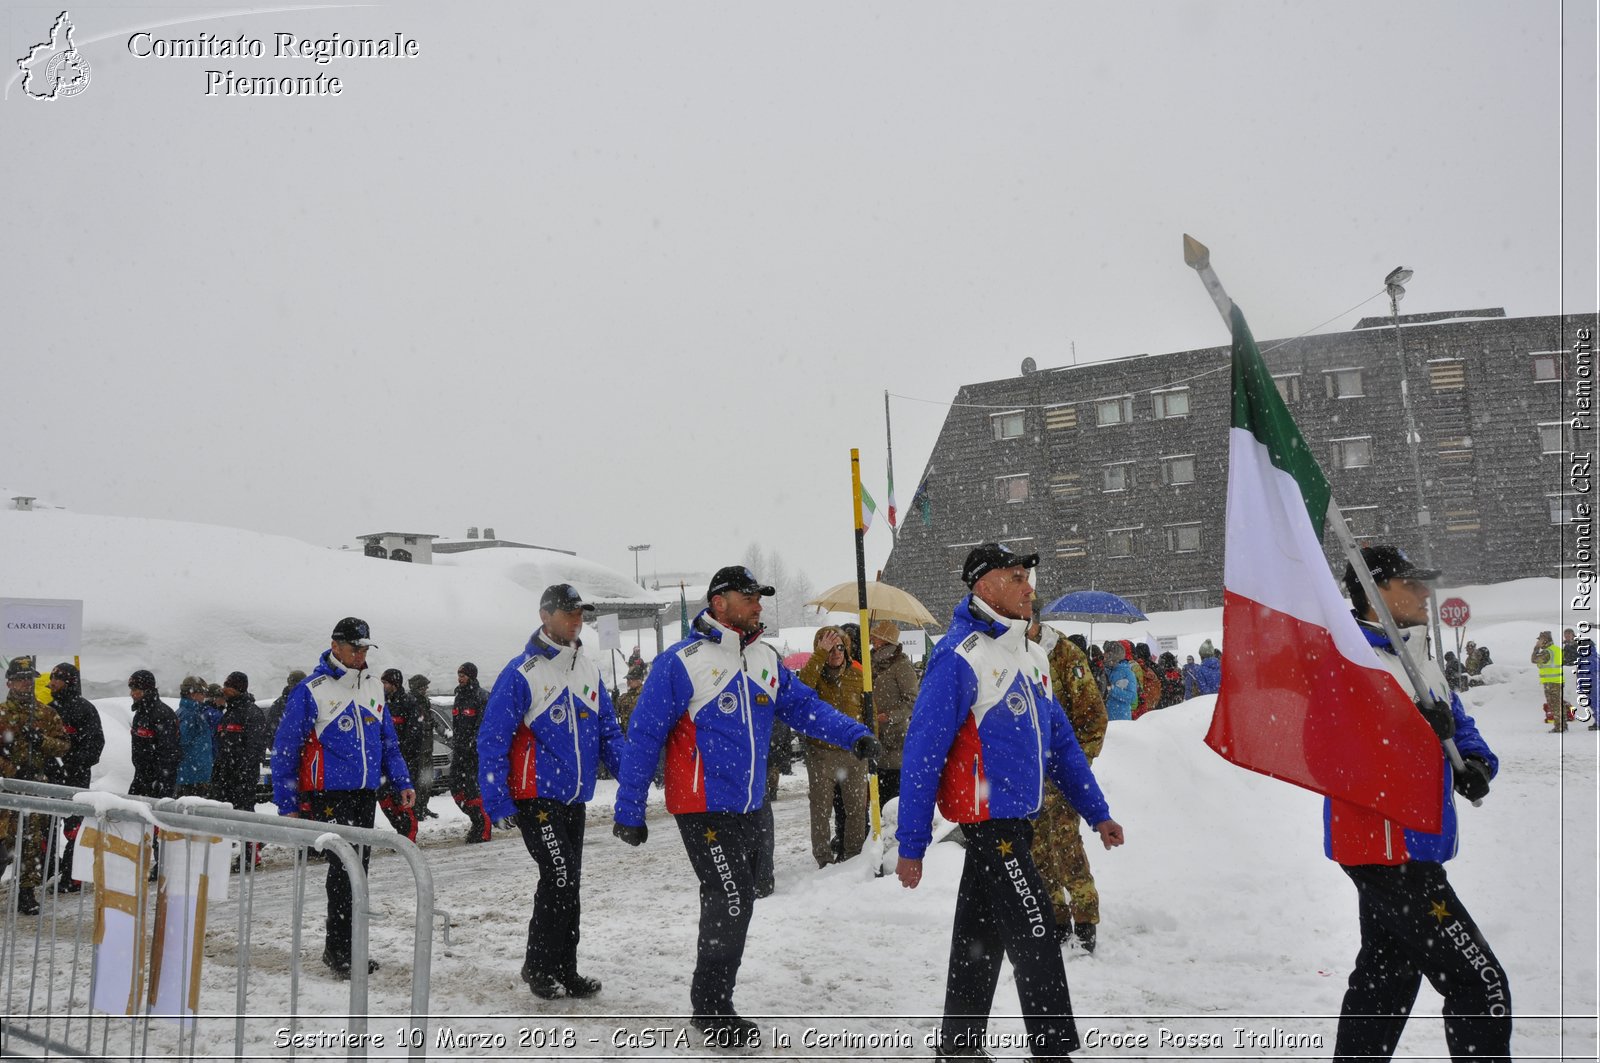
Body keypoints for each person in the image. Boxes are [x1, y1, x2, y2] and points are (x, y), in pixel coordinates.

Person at [612, 565, 876, 1047]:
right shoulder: (682, 661)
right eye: (749, 596)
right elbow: (644, 735)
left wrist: (855, 735)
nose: (758, 604)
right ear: (719, 603)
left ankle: (715, 998)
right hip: (703, 806)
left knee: (745, 898)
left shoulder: (765, 659)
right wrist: (628, 809)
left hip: (752, 805)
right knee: (729, 898)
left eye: (760, 596)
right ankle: (711, 1010)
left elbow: (806, 708)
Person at [897, 546, 1123, 1061]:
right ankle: (1053, 1051)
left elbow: (1061, 744)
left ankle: (959, 1047)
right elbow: (922, 754)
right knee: (1038, 932)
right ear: (984, 587)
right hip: (989, 826)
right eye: (1016, 577)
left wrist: (1098, 811)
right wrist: (911, 844)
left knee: (978, 941)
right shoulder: (959, 656)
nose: (1029, 587)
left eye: (1029, 577)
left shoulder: (1032, 654)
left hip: (1019, 823)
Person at [1330, 546, 1509, 1063]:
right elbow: (1330, 743)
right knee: (1481, 986)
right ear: (1376, 591)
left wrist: (1475, 762)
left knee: (1385, 983)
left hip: (1416, 843)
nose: (1426, 593)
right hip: (1383, 843)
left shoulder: (1417, 654)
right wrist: (1408, 732)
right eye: (1412, 583)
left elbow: (1457, 720)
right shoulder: (1345, 654)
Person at [478, 584, 625, 1000]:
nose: (576, 619)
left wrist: (632, 775)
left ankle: (565, 968)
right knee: (559, 877)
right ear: (545, 616)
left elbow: (609, 734)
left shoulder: (589, 669)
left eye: (580, 613)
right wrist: (496, 800)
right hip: (535, 798)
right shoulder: (521, 672)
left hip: (573, 797)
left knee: (569, 882)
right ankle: (538, 967)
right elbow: (492, 740)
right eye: (567, 612)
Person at [271, 617, 415, 979]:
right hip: (329, 795)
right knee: (343, 870)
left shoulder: (373, 687)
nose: (361, 654)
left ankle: (349, 946)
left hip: (364, 792)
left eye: (365, 647)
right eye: (355, 647)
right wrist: (287, 803)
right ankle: (339, 951)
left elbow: (388, 742)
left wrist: (401, 780)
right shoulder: (312, 689)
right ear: (335, 646)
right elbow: (286, 749)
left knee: (359, 872)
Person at [1028, 613, 1109, 954]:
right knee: (1037, 849)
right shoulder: (1015, 655)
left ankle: (1085, 918)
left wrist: (1075, 766)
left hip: (1062, 774)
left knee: (1066, 845)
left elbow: (1093, 719)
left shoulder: (1064, 656)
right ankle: (1056, 919)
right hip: (1030, 776)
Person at [0, 658, 70, 914]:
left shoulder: (45, 713)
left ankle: (26, 893)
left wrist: (41, 741)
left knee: (30, 842)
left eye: (29, 678)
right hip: (5, 790)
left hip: (34, 787)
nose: (26, 683)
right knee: (3, 842)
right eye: (20, 678)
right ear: (9, 682)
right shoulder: (1, 714)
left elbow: (64, 744)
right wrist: (11, 768)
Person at [796, 626, 868, 867]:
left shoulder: (859, 676)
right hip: (821, 754)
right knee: (820, 809)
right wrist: (819, 655)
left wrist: (872, 743)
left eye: (840, 647)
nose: (835, 653)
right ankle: (824, 860)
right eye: (829, 648)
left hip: (853, 754)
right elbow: (800, 692)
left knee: (856, 809)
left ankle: (853, 856)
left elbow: (870, 711)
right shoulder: (813, 676)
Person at [44, 663, 104, 893]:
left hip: (75, 781)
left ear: (69, 681)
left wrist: (71, 764)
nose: (52, 682)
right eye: (52, 678)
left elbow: (95, 746)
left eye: (57, 678)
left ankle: (73, 876)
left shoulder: (85, 710)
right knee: (45, 826)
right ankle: (47, 867)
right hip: (49, 779)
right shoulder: (48, 710)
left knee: (74, 829)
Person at [213, 672, 269, 869]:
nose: (224, 689)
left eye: (228, 686)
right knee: (227, 817)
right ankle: (225, 856)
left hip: (243, 775)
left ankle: (252, 855)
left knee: (245, 815)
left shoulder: (251, 712)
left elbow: (255, 747)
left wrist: (243, 772)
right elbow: (222, 743)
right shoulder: (229, 712)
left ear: (238, 688)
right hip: (225, 775)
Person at [868, 619, 919, 808]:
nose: (872, 638)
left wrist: (890, 716)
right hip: (874, 733)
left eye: (876, 636)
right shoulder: (871, 662)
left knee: (892, 793)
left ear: (886, 640)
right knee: (876, 791)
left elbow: (912, 701)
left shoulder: (901, 665)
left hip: (894, 737)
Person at [376, 669, 419, 841]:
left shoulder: (408, 702)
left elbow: (415, 735)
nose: (383, 686)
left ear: (394, 684)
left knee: (402, 801)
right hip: (383, 763)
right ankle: (401, 833)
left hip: (401, 762)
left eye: (385, 683)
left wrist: (403, 758)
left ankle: (409, 837)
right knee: (385, 801)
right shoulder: (381, 703)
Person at [451, 662, 491, 843]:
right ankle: (476, 820)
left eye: (463, 675)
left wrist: (472, 746)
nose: (460, 678)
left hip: (473, 753)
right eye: (459, 675)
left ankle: (483, 825)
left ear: (471, 676)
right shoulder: (459, 695)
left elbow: (482, 726)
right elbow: (457, 725)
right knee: (456, 789)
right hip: (459, 751)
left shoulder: (481, 696)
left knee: (473, 791)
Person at [175, 676, 216, 798]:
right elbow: (183, 741)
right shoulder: (191, 715)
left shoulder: (185, 712)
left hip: (190, 774)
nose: (204, 697)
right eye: (202, 693)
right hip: (192, 776)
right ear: (192, 694)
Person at [408, 673, 439, 815]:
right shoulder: (411, 702)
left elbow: (430, 720)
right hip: (417, 748)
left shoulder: (424, 702)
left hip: (427, 747)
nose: (426, 688)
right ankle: (416, 808)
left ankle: (423, 806)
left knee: (427, 779)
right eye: (424, 686)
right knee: (418, 780)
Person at [1531, 630, 1569, 732]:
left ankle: (1559, 727)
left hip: (1551, 682)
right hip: (1558, 680)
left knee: (1554, 705)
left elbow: (1534, 659)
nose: (1538, 642)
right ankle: (1563, 725)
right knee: (1559, 704)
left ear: (1545, 640)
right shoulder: (1557, 649)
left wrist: (1536, 648)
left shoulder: (1547, 651)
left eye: (1540, 640)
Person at [1102, 642, 1138, 722]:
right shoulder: (1105, 669)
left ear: (1113, 655)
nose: (1104, 656)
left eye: (1106, 653)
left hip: (1121, 720)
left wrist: (1111, 689)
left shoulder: (1127, 673)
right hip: (1106, 719)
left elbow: (1131, 697)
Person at [613, 661, 647, 733]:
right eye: (628, 679)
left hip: (640, 736)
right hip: (626, 738)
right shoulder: (624, 697)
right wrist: (614, 699)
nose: (628, 681)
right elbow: (613, 711)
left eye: (631, 679)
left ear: (639, 680)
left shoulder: (645, 696)